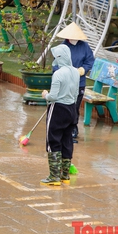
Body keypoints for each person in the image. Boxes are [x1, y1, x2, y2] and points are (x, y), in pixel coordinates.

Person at [41, 44, 79, 186]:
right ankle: (65, 176)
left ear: (59, 57)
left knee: (53, 140)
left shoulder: (58, 74)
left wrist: (45, 94)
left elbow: (53, 97)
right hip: (71, 109)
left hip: (57, 110)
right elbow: (75, 94)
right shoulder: (75, 72)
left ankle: (54, 177)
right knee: (67, 140)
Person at [53, 22, 94, 142]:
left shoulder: (85, 47)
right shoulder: (62, 47)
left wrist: (82, 70)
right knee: (65, 106)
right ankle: (63, 130)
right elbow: (55, 65)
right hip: (65, 82)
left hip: (79, 82)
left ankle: (73, 128)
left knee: (75, 106)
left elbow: (90, 61)